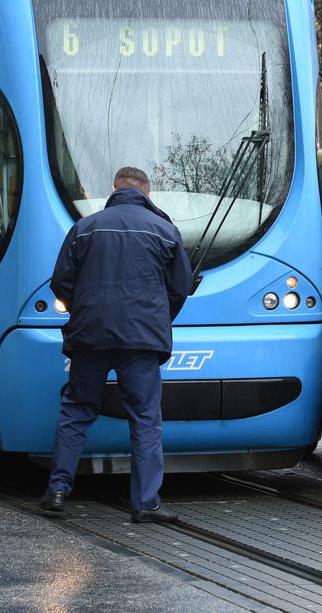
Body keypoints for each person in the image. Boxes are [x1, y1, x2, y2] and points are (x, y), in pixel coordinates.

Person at [40, 166, 192, 522]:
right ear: (147, 194)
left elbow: (61, 281)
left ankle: (58, 491)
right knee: (145, 419)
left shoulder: (85, 228)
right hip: (141, 340)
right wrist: (157, 317)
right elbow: (180, 287)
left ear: (113, 189)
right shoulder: (166, 231)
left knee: (76, 411)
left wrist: (85, 310)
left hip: (90, 336)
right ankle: (145, 503)